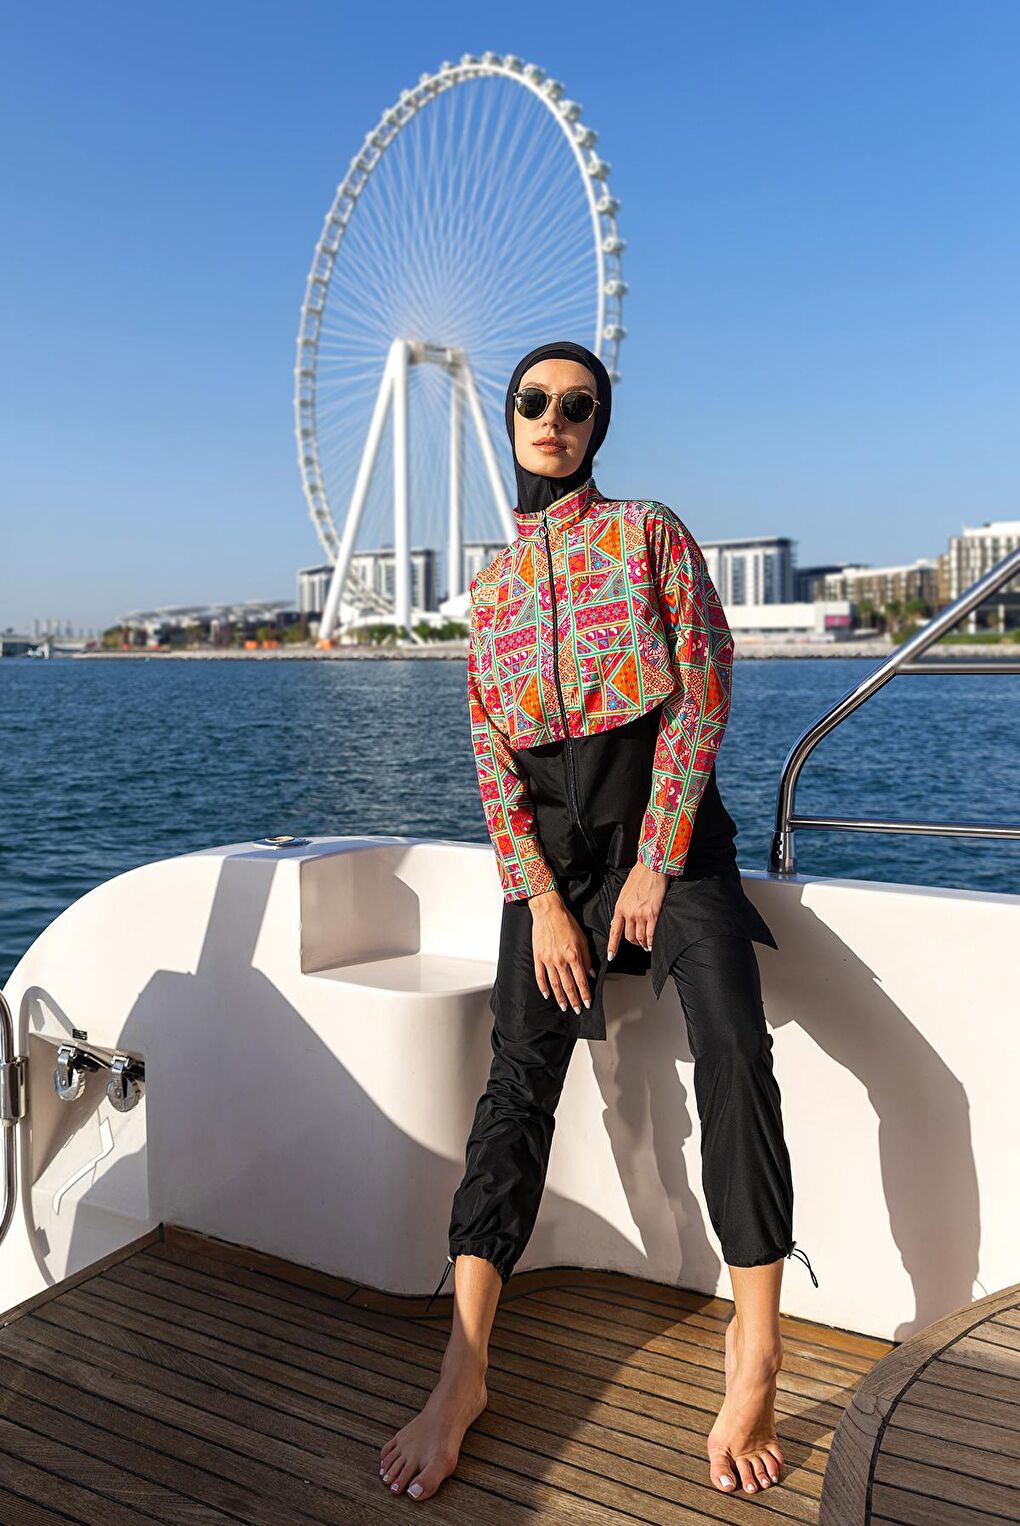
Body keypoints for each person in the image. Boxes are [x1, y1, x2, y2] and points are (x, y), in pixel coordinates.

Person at [378, 339, 816, 1505]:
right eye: (536, 400)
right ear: (511, 418)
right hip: (556, 866)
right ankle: (462, 1369)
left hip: (672, 838)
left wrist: (658, 861)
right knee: (517, 1080)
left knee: (735, 1047)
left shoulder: (649, 534)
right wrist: (539, 898)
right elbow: (492, 752)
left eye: (579, 405)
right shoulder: (492, 590)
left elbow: (704, 686)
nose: (554, 417)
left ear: (597, 426)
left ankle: (758, 1349)